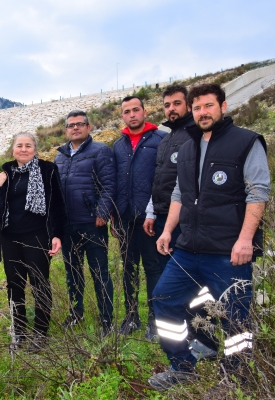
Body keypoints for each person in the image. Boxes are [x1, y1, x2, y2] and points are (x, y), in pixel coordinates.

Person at [148, 84, 269, 391]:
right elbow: (179, 193)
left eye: (208, 106)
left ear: (223, 107)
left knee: (235, 318)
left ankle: (236, 380)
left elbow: (258, 192)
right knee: (164, 299)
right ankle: (182, 366)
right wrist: (166, 230)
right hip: (188, 248)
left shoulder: (246, 142)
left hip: (228, 251)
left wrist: (245, 240)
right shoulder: (188, 147)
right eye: (197, 107)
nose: (203, 112)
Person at [143, 85, 219, 355]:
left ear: (188, 105)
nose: (171, 109)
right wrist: (152, 213)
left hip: (187, 221)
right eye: (167, 105)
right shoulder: (166, 140)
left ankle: (206, 339)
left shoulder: (197, 135)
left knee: (197, 283)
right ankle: (183, 338)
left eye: (177, 103)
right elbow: (160, 181)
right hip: (164, 219)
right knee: (172, 283)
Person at [0, 132, 67, 349]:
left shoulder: (47, 170)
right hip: (10, 238)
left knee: (39, 284)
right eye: (19, 145)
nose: (24, 149)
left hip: (37, 236)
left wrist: (57, 234)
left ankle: (40, 333)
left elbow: (58, 204)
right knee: (14, 286)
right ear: (12, 149)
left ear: (35, 149)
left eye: (28, 145)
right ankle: (19, 331)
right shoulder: (6, 172)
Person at [54, 110, 116, 335]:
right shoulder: (60, 155)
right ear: (66, 130)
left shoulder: (100, 151)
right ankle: (75, 312)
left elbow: (109, 185)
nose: (75, 128)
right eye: (71, 125)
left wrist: (102, 212)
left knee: (100, 272)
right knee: (73, 272)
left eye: (80, 124)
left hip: (92, 223)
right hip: (68, 225)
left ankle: (107, 320)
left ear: (88, 128)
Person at [112, 96, 166, 338]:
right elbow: (114, 183)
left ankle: (155, 320)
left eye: (136, 110)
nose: (132, 114)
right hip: (125, 218)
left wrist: (154, 212)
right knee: (128, 268)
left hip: (150, 217)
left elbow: (163, 180)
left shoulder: (161, 140)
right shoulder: (118, 145)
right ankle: (131, 316)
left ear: (145, 112)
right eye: (127, 111)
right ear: (122, 116)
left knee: (154, 267)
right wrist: (114, 216)